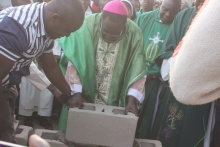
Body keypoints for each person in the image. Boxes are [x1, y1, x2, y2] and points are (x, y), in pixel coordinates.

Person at [0, 0, 85, 143]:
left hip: (6, 82)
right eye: (67, 30)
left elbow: (50, 66)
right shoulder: (18, 28)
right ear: (55, 18)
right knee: (5, 136)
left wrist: (68, 93)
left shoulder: (46, 28)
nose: (68, 36)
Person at [57, 0, 147, 132]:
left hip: (115, 96)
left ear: (125, 23)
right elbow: (74, 61)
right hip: (84, 94)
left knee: (107, 135)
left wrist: (132, 100)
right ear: (102, 16)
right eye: (105, 32)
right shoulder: (86, 26)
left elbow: (137, 68)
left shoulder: (134, 32)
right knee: (77, 133)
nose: (109, 36)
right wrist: (75, 92)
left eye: (114, 34)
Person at [146, 0, 211, 146]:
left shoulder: (215, 18)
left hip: (200, 90)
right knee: (168, 130)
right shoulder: (183, 16)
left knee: (191, 132)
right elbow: (169, 49)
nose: (199, 3)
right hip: (176, 85)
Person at [134, 0, 181, 146]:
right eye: (165, 9)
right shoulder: (143, 18)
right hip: (134, 76)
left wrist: (153, 74)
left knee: (146, 117)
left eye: (173, 13)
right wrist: (138, 73)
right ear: (159, 4)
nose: (167, 15)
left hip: (154, 80)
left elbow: (171, 56)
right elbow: (132, 44)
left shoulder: (177, 27)